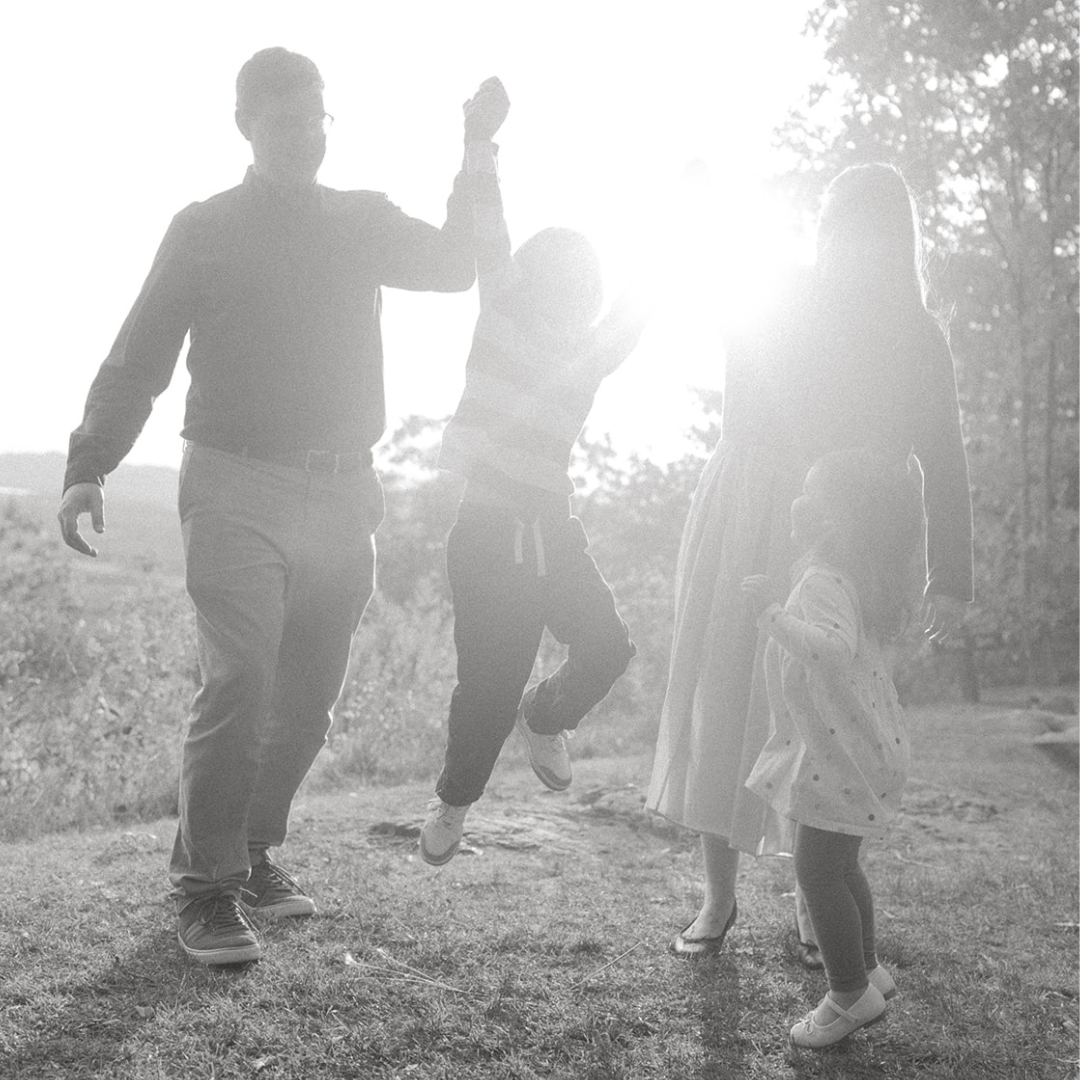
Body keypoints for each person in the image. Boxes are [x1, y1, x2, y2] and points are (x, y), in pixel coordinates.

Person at [57, 47, 480, 966]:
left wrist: (477, 157)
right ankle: (205, 892)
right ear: (246, 126)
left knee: (307, 704)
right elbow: (141, 354)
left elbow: (458, 265)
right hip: (234, 480)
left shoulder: (362, 219)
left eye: (319, 119)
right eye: (285, 120)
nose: (306, 137)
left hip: (342, 489)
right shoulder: (204, 227)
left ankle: (252, 854)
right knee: (241, 677)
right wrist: (90, 462)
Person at [646, 163, 974, 959]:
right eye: (834, 230)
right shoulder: (783, 295)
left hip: (849, 537)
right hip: (755, 510)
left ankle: (811, 893)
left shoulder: (916, 332)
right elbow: (737, 364)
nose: (845, 249)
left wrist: (952, 579)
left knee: (825, 718)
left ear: (898, 243)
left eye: (867, 235)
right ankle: (718, 897)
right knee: (726, 699)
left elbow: (942, 453)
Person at [418, 78, 645, 866]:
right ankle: (454, 802)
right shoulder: (506, 303)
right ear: (541, 276)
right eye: (569, 282)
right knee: (484, 686)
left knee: (609, 647)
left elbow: (643, 301)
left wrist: (690, 215)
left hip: (552, 530)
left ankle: (545, 716)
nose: (578, 299)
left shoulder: (587, 351)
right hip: (488, 532)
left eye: (587, 290)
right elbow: (488, 221)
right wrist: (479, 135)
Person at [741, 447, 925, 1047]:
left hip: (837, 754)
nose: (797, 502)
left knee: (816, 871)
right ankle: (867, 969)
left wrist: (770, 613)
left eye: (812, 494)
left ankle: (848, 994)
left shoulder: (823, 580)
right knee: (842, 866)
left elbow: (831, 651)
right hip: (864, 747)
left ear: (838, 517)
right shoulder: (859, 576)